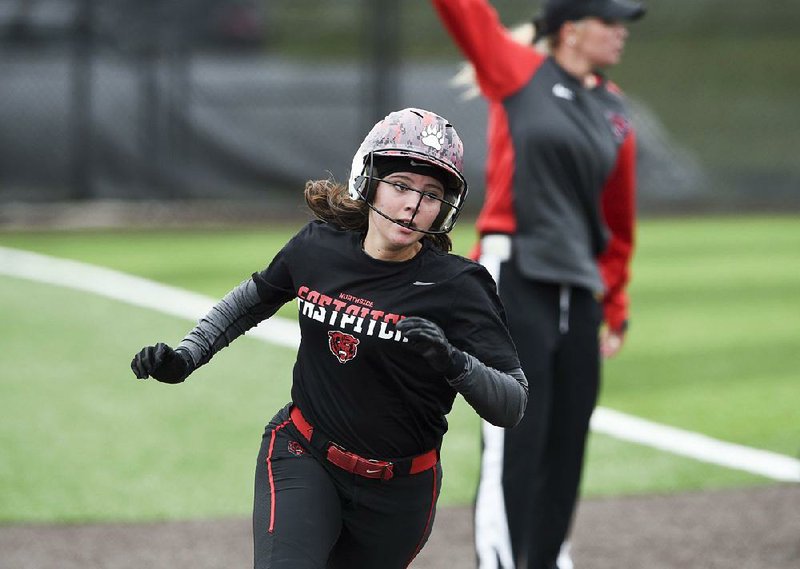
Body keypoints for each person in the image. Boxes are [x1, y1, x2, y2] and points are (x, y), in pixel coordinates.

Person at [130, 107, 529, 569]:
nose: (414, 205)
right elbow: (252, 299)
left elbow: (512, 404)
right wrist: (186, 356)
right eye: (401, 185)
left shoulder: (461, 286)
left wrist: (454, 362)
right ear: (369, 179)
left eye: (432, 194)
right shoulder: (318, 246)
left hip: (400, 493)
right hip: (304, 454)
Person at [430, 1, 644, 568]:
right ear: (571, 30)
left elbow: (618, 220)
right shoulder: (518, 70)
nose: (621, 33)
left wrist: (614, 301)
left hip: (580, 292)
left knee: (567, 440)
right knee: (515, 438)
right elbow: (464, 15)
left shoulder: (613, 108)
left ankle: (545, 560)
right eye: (610, 22)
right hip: (516, 276)